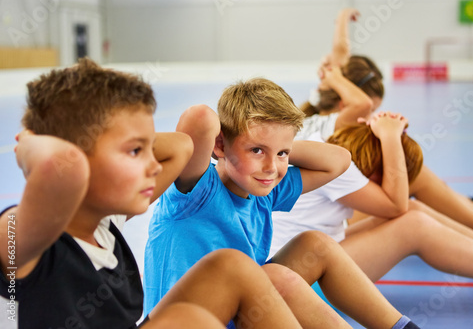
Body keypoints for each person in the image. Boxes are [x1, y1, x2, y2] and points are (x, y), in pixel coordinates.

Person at [0, 58, 306, 329]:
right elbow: (57, 168)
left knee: (228, 270)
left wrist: (127, 139)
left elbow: (181, 147)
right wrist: (31, 141)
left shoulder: (107, 224)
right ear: (76, 155)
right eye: (135, 151)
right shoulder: (22, 238)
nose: (153, 165)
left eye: (149, 147)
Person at [144, 77, 421, 329]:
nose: (270, 167)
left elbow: (339, 160)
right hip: (184, 322)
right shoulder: (197, 189)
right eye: (256, 150)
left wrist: (275, 145)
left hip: (237, 312)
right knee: (274, 276)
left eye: (282, 154)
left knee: (315, 244)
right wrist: (243, 141)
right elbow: (199, 117)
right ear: (219, 145)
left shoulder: (266, 189)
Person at [298, 7, 473, 240]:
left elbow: (340, 52)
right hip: (331, 220)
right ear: (345, 102)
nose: (371, 114)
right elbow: (360, 101)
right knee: (413, 175)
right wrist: (334, 76)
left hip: (331, 209)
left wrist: (342, 20)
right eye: (373, 109)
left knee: (415, 177)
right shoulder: (336, 122)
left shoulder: (314, 113)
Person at [271, 112, 473, 291]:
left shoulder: (326, 146)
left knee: (413, 209)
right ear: (377, 172)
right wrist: (390, 137)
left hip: (298, 264)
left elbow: (401, 206)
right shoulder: (342, 167)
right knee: (414, 226)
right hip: (304, 283)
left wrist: (379, 132)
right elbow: (395, 205)